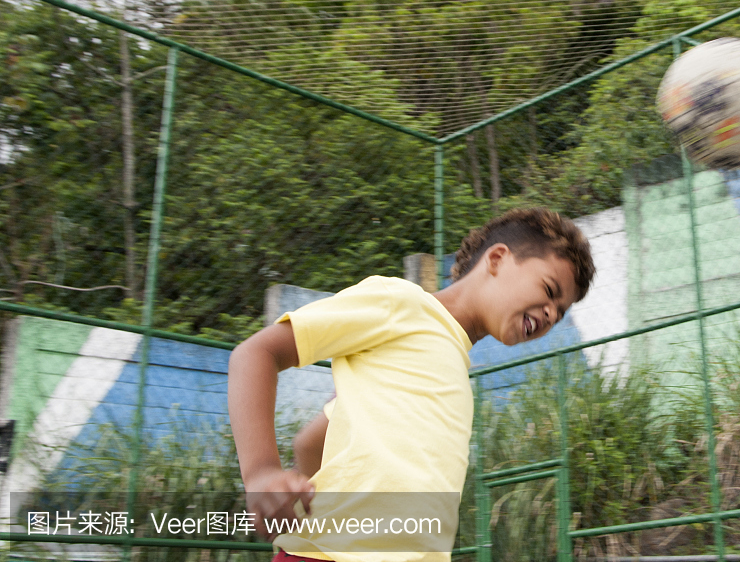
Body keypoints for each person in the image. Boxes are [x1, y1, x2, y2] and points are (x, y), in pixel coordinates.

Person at [227, 207, 595, 562]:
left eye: (561, 312)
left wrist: (303, 494)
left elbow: (310, 441)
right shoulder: (400, 303)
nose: (551, 314)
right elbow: (256, 354)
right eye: (549, 290)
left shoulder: (448, 371)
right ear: (497, 259)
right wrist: (263, 473)